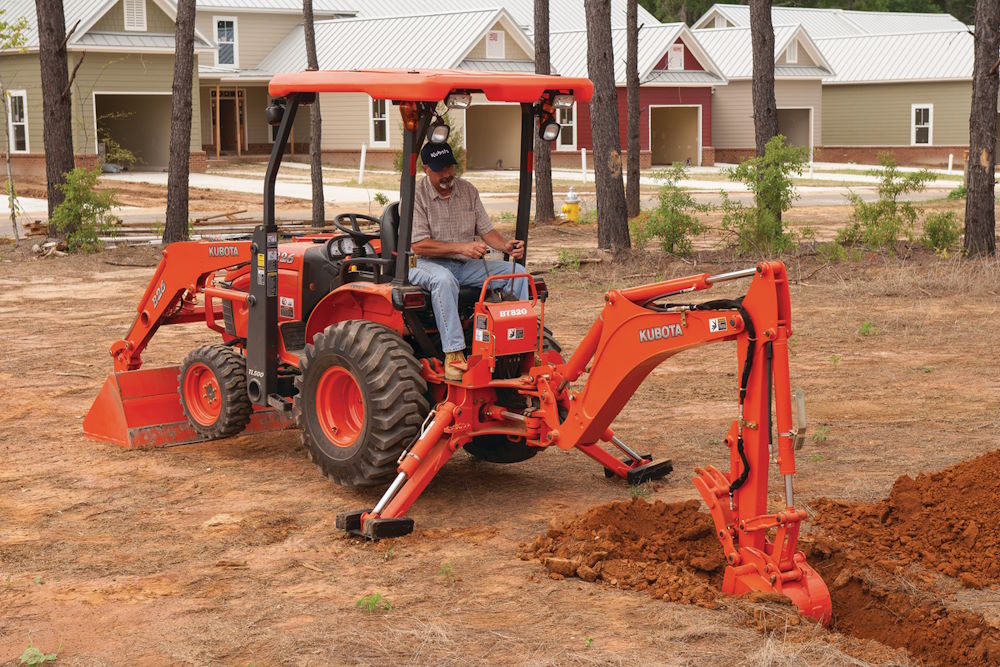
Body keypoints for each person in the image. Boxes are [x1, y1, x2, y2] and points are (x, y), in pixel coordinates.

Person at [408, 141, 528, 381]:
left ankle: (520, 346)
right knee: (444, 280)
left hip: (463, 265)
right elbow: (418, 244)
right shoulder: (414, 196)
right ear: (425, 169)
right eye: (440, 169)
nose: (447, 174)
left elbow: (486, 230)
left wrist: (505, 245)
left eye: (450, 167)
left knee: (517, 272)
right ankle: (453, 354)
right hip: (423, 264)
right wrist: (462, 247)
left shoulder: (468, 191)